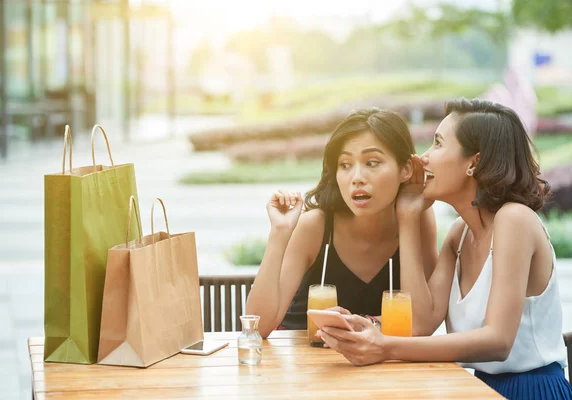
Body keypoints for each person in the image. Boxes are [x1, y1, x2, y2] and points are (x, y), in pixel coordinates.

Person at [318, 99, 572, 399]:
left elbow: (498, 341)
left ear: (473, 163)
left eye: (437, 144)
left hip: (530, 391)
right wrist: (409, 217)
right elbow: (421, 324)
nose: (422, 159)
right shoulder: (459, 236)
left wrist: (385, 347)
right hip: (476, 388)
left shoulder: (514, 219)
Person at [245, 108, 438, 339]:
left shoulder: (418, 219)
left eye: (372, 162)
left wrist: (407, 219)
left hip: (383, 367)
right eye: (345, 165)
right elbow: (258, 327)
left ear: (405, 169)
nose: (356, 177)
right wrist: (279, 232)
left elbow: (421, 325)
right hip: (308, 361)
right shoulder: (314, 226)